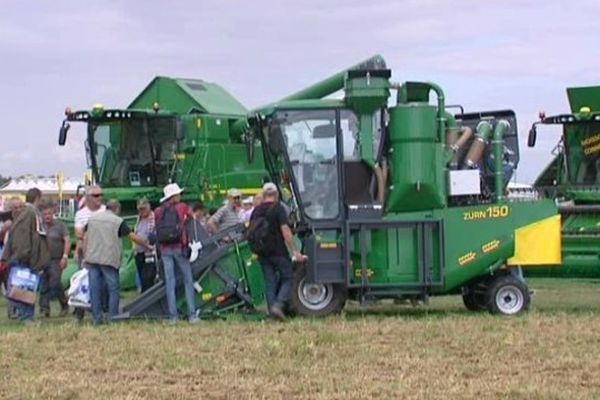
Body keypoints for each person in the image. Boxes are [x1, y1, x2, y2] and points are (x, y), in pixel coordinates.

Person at [83, 199, 150, 324]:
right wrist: (147, 245)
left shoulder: (92, 219)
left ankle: (97, 318)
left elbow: (85, 237)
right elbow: (132, 236)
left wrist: (85, 256)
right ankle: (113, 317)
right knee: (113, 289)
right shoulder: (117, 221)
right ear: (117, 209)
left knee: (94, 289)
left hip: (92, 258)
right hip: (108, 259)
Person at [249, 182, 306, 321]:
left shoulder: (256, 210)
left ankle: (272, 312)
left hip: (262, 252)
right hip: (278, 251)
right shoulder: (278, 208)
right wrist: (295, 251)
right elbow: (285, 231)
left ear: (263, 195)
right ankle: (279, 305)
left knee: (270, 282)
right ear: (276, 194)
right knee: (289, 278)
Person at [0, 188, 50, 324]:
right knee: (23, 288)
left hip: (24, 257)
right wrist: (22, 256)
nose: (17, 209)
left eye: (19, 206)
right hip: (24, 258)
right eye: (15, 207)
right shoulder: (29, 213)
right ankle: (26, 317)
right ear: (38, 198)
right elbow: (24, 239)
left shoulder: (26, 214)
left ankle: (26, 316)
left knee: (26, 288)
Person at [154, 183, 200, 324]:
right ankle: (192, 315)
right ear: (174, 196)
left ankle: (173, 317)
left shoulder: (158, 211)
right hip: (179, 247)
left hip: (165, 249)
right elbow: (193, 219)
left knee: (170, 282)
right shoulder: (182, 208)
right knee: (187, 280)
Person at [72, 185, 106, 321]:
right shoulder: (80, 214)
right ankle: (79, 312)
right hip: (86, 253)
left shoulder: (105, 211)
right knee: (83, 283)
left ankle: (100, 312)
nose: (100, 198)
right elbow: (78, 234)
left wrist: (88, 231)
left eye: (101, 195)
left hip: (103, 252)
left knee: (102, 284)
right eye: (96, 195)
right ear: (88, 198)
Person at [39, 199, 70, 317]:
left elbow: (67, 241)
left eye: (49, 214)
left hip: (56, 259)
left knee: (55, 283)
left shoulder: (60, 225)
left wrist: (65, 257)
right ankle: (44, 309)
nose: (47, 216)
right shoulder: (40, 226)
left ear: (53, 214)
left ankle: (64, 304)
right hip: (43, 259)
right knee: (44, 285)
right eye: (45, 214)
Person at [133, 198, 156, 293]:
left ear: (148, 207)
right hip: (139, 252)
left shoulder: (153, 218)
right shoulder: (139, 218)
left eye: (143, 208)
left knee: (148, 277)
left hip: (149, 252)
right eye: (140, 209)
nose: (141, 211)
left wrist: (146, 243)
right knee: (141, 277)